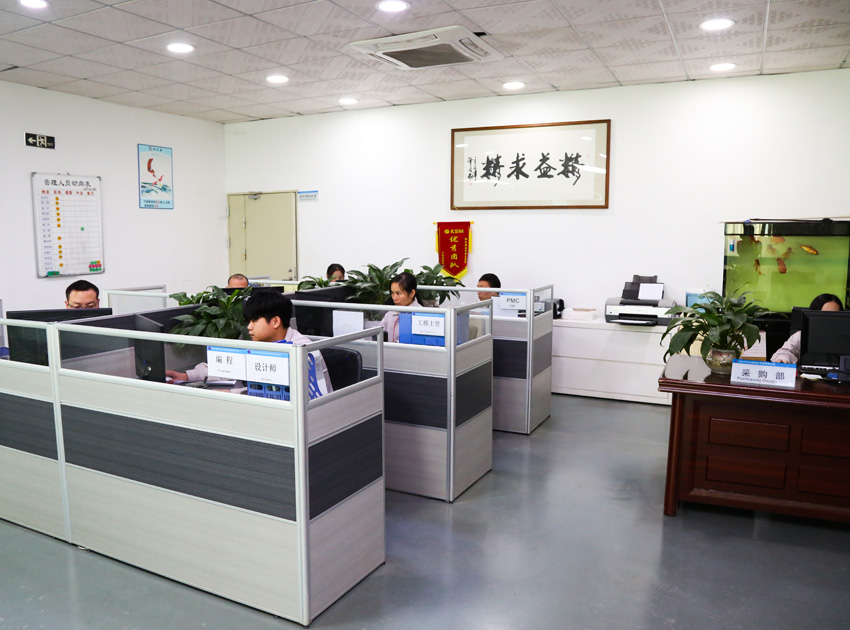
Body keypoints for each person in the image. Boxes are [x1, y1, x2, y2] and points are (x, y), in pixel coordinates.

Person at [165, 291, 330, 392]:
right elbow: (231, 367)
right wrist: (187, 376)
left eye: (254, 321)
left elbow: (276, 393)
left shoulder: (302, 350)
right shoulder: (261, 342)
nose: (249, 327)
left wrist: (232, 394)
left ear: (275, 322)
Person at [771, 293, 844, 363]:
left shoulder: (846, 337)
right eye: (825, 315)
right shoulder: (802, 335)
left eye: (835, 315)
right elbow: (784, 351)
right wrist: (783, 359)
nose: (830, 320)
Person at [381, 272, 418, 343]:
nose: (394, 298)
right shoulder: (390, 314)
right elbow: (378, 333)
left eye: (398, 293)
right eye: (392, 293)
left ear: (412, 293)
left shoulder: (421, 315)